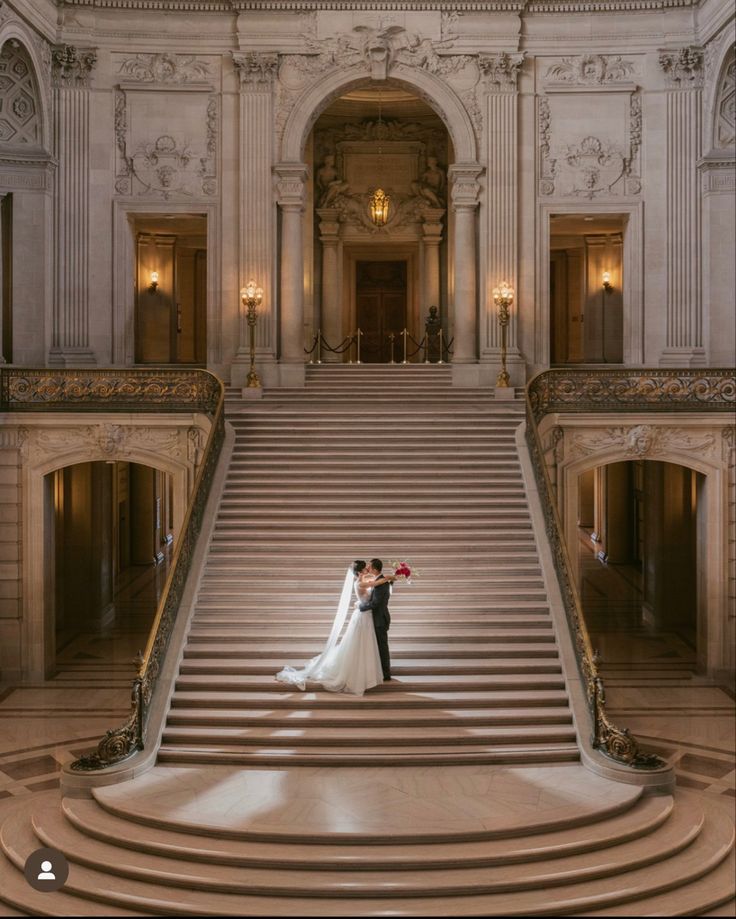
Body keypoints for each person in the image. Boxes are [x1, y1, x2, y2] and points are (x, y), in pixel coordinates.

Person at [275, 560, 394, 696]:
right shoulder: (361, 582)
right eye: (365, 568)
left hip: (366, 616)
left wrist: (387, 579)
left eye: (369, 567)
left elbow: (374, 586)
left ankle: (372, 671)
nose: (367, 569)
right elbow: (374, 584)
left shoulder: (363, 580)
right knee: (360, 644)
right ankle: (365, 672)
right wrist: (389, 578)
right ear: (360, 572)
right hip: (363, 615)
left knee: (365, 644)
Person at [359, 558, 392, 681]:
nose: (368, 568)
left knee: (382, 646)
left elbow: (376, 603)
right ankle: (381, 671)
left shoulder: (382, 583)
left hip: (380, 619)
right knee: (380, 646)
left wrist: (360, 607)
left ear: (374, 569)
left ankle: (386, 673)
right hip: (378, 618)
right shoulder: (379, 581)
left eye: (370, 566)